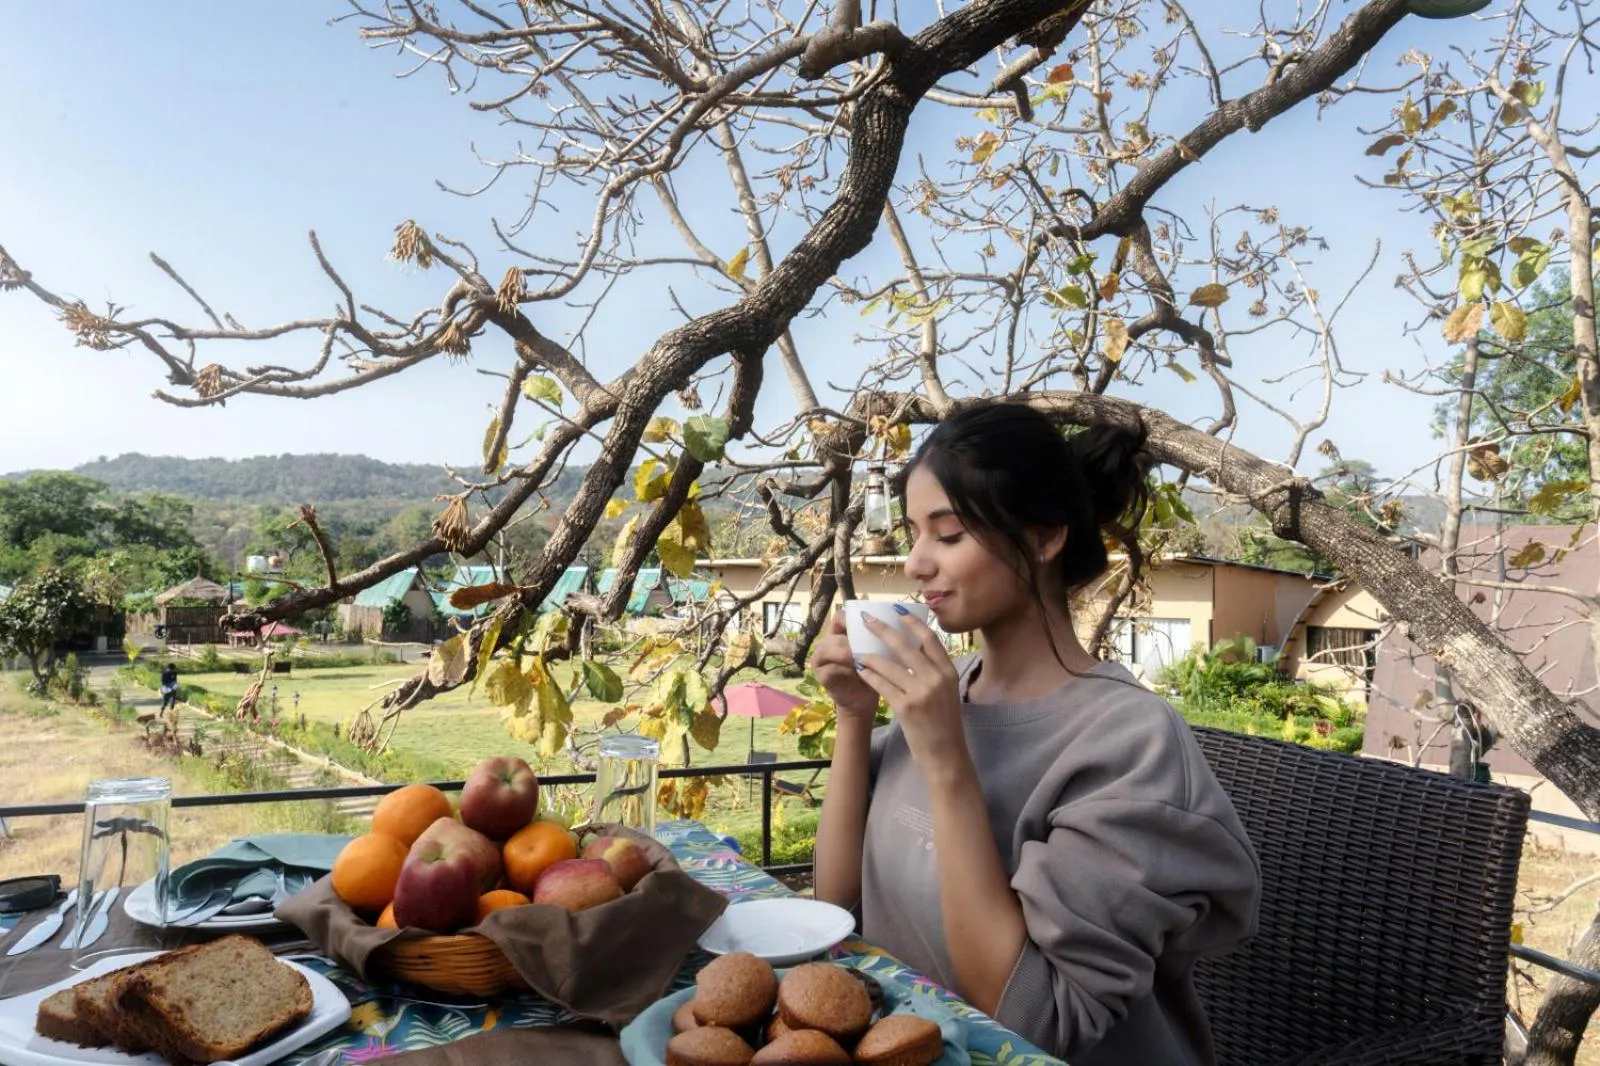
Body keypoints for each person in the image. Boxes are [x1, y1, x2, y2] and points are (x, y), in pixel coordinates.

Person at [812, 401, 1261, 1066]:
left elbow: (1035, 1021)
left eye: (950, 534)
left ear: (1046, 538)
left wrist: (946, 760)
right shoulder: (949, 690)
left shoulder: (1127, 742)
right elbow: (838, 905)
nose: (915, 563)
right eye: (913, 533)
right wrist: (854, 715)